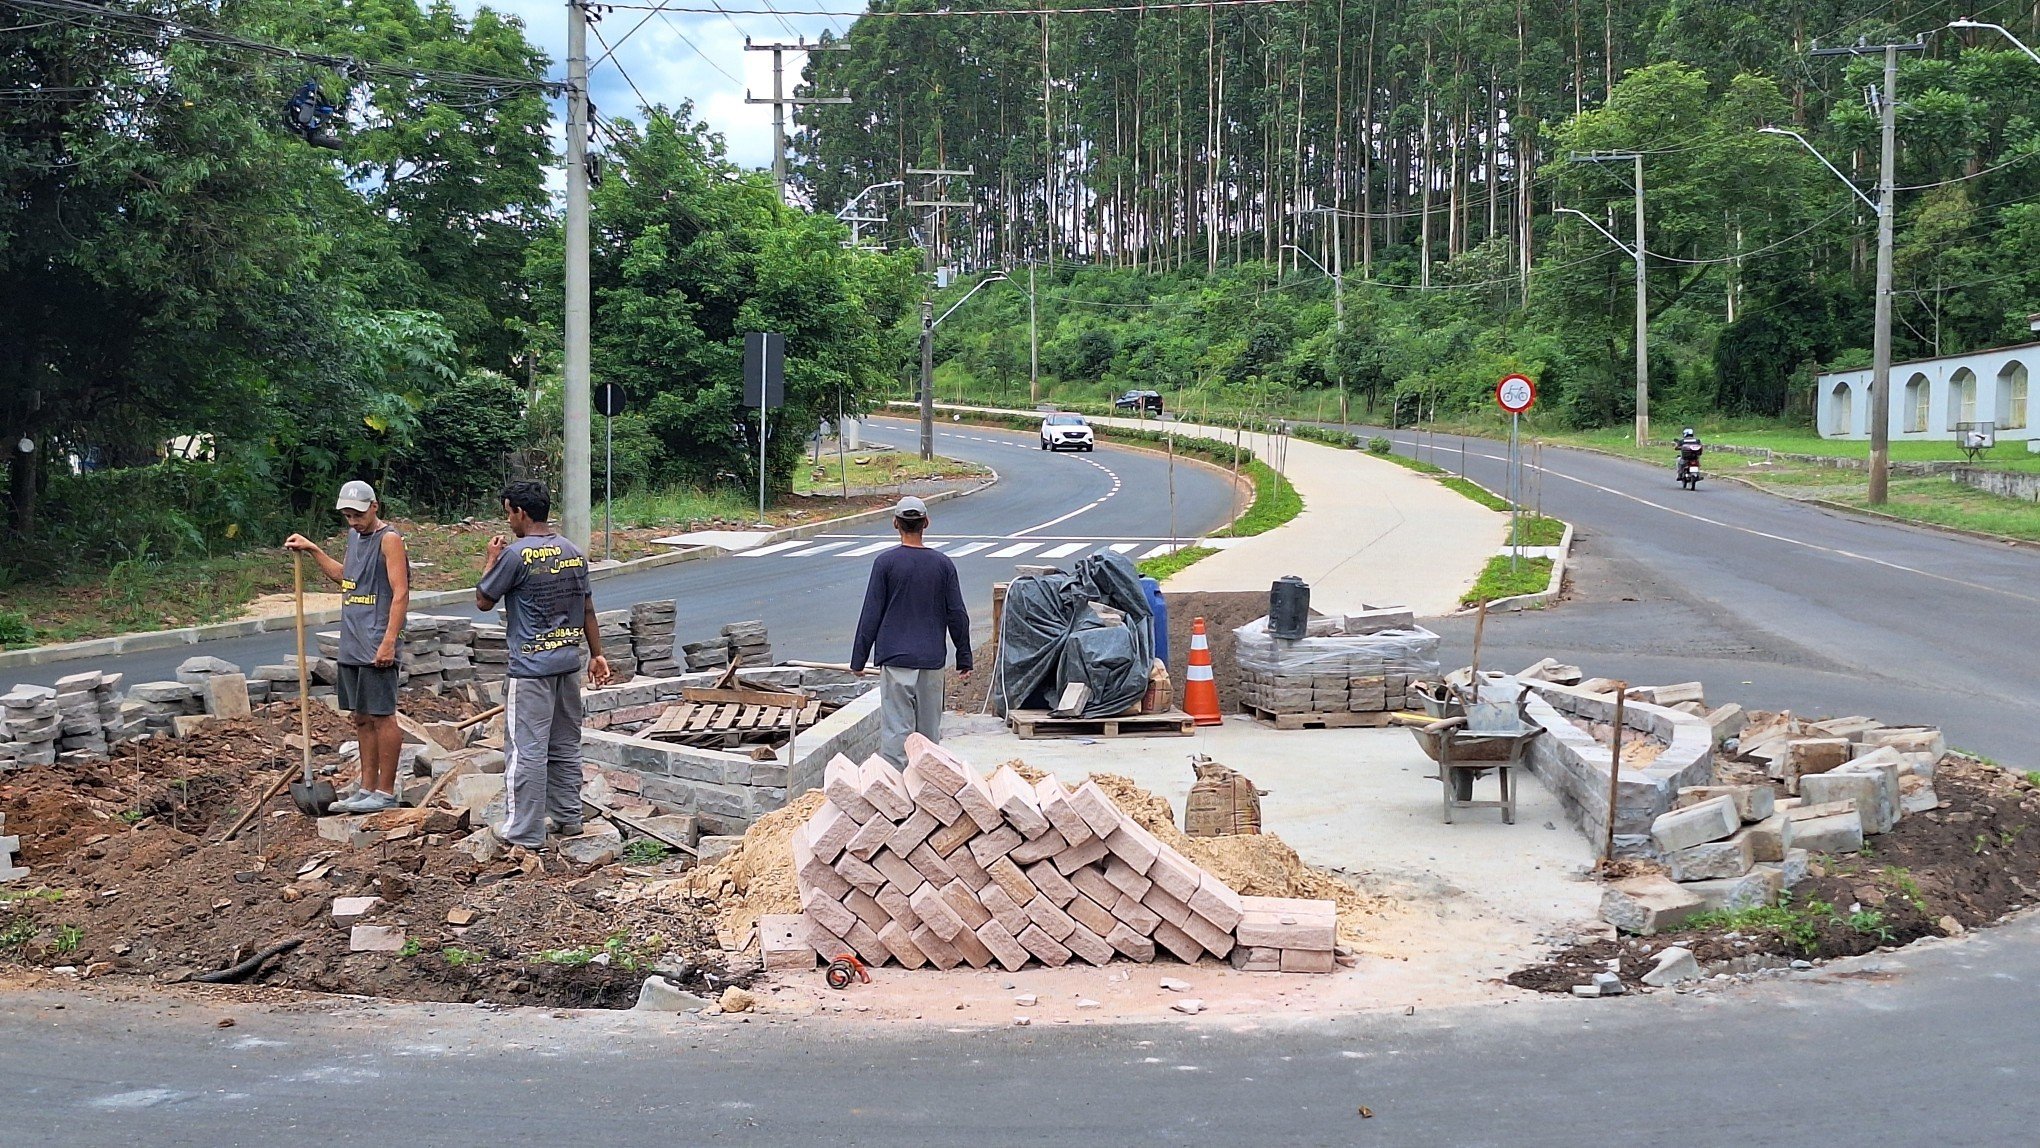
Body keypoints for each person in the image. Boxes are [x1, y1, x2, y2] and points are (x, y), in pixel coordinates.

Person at [476, 480, 612, 850]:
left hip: (531, 668)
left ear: (520, 511)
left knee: (526, 750)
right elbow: (586, 608)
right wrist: (597, 654)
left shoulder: (515, 555)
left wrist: (490, 560)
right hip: (568, 664)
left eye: (509, 513)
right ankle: (569, 817)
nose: (509, 522)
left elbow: (484, 600)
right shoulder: (572, 551)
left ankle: (524, 830)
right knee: (565, 744)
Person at [284, 480, 409, 813]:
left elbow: (400, 593)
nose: (353, 521)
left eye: (358, 514)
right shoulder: (355, 537)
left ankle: (385, 791)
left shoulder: (390, 540)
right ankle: (366, 789)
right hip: (352, 641)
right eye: (348, 516)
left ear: (374, 507)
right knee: (360, 717)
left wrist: (389, 641)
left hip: (376, 640)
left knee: (382, 716)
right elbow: (347, 578)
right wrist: (313, 550)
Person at [849, 495, 972, 766]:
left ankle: (897, 794)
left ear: (895, 523)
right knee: (928, 738)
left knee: (896, 735)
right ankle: (928, 791)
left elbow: (871, 614)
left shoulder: (885, 564)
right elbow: (957, 614)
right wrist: (964, 657)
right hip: (931, 661)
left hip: (895, 662)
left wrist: (859, 660)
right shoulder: (943, 565)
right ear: (926, 523)